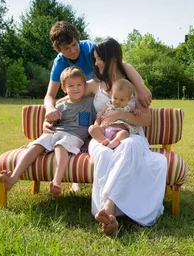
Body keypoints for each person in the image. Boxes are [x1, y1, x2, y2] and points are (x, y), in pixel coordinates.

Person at [43, 21, 153, 192]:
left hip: (123, 127)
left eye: (74, 45)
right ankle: (100, 195)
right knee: (94, 134)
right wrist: (50, 112)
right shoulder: (63, 65)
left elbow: (117, 62)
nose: (73, 51)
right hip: (96, 117)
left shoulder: (91, 49)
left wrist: (140, 84)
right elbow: (56, 96)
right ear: (60, 51)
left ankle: (114, 199)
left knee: (123, 144)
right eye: (67, 49)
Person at [85, 38, 167, 235]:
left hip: (130, 135)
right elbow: (69, 89)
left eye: (99, 59)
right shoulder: (96, 85)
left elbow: (146, 120)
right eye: (94, 59)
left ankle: (109, 207)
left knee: (128, 147)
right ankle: (110, 211)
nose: (96, 64)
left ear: (111, 58)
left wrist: (120, 114)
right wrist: (52, 107)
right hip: (101, 137)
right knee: (104, 154)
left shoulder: (133, 88)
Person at [0, 67, 96, 198]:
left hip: (75, 136)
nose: (76, 89)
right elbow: (50, 123)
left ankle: (56, 182)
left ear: (85, 86)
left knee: (61, 146)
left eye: (79, 85)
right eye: (71, 86)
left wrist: (90, 139)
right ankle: (13, 177)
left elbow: (95, 122)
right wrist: (46, 124)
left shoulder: (90, 103)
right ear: (64, 89)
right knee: (35, 146)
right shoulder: (60, 106)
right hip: (55, 133)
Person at [89, 78, 140, 149]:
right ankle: (105, 140)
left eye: (121, 100)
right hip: (104, 130)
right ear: (111, 95)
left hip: (118, 131)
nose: (117, 101)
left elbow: (135, 112)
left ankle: (113, 142)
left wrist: (136, 111)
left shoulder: (127, 108)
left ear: (129, 99)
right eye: (115, 98)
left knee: (124, 133)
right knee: (91, 128)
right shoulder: (107, 106)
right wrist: (97, 125)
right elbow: (99, 118)